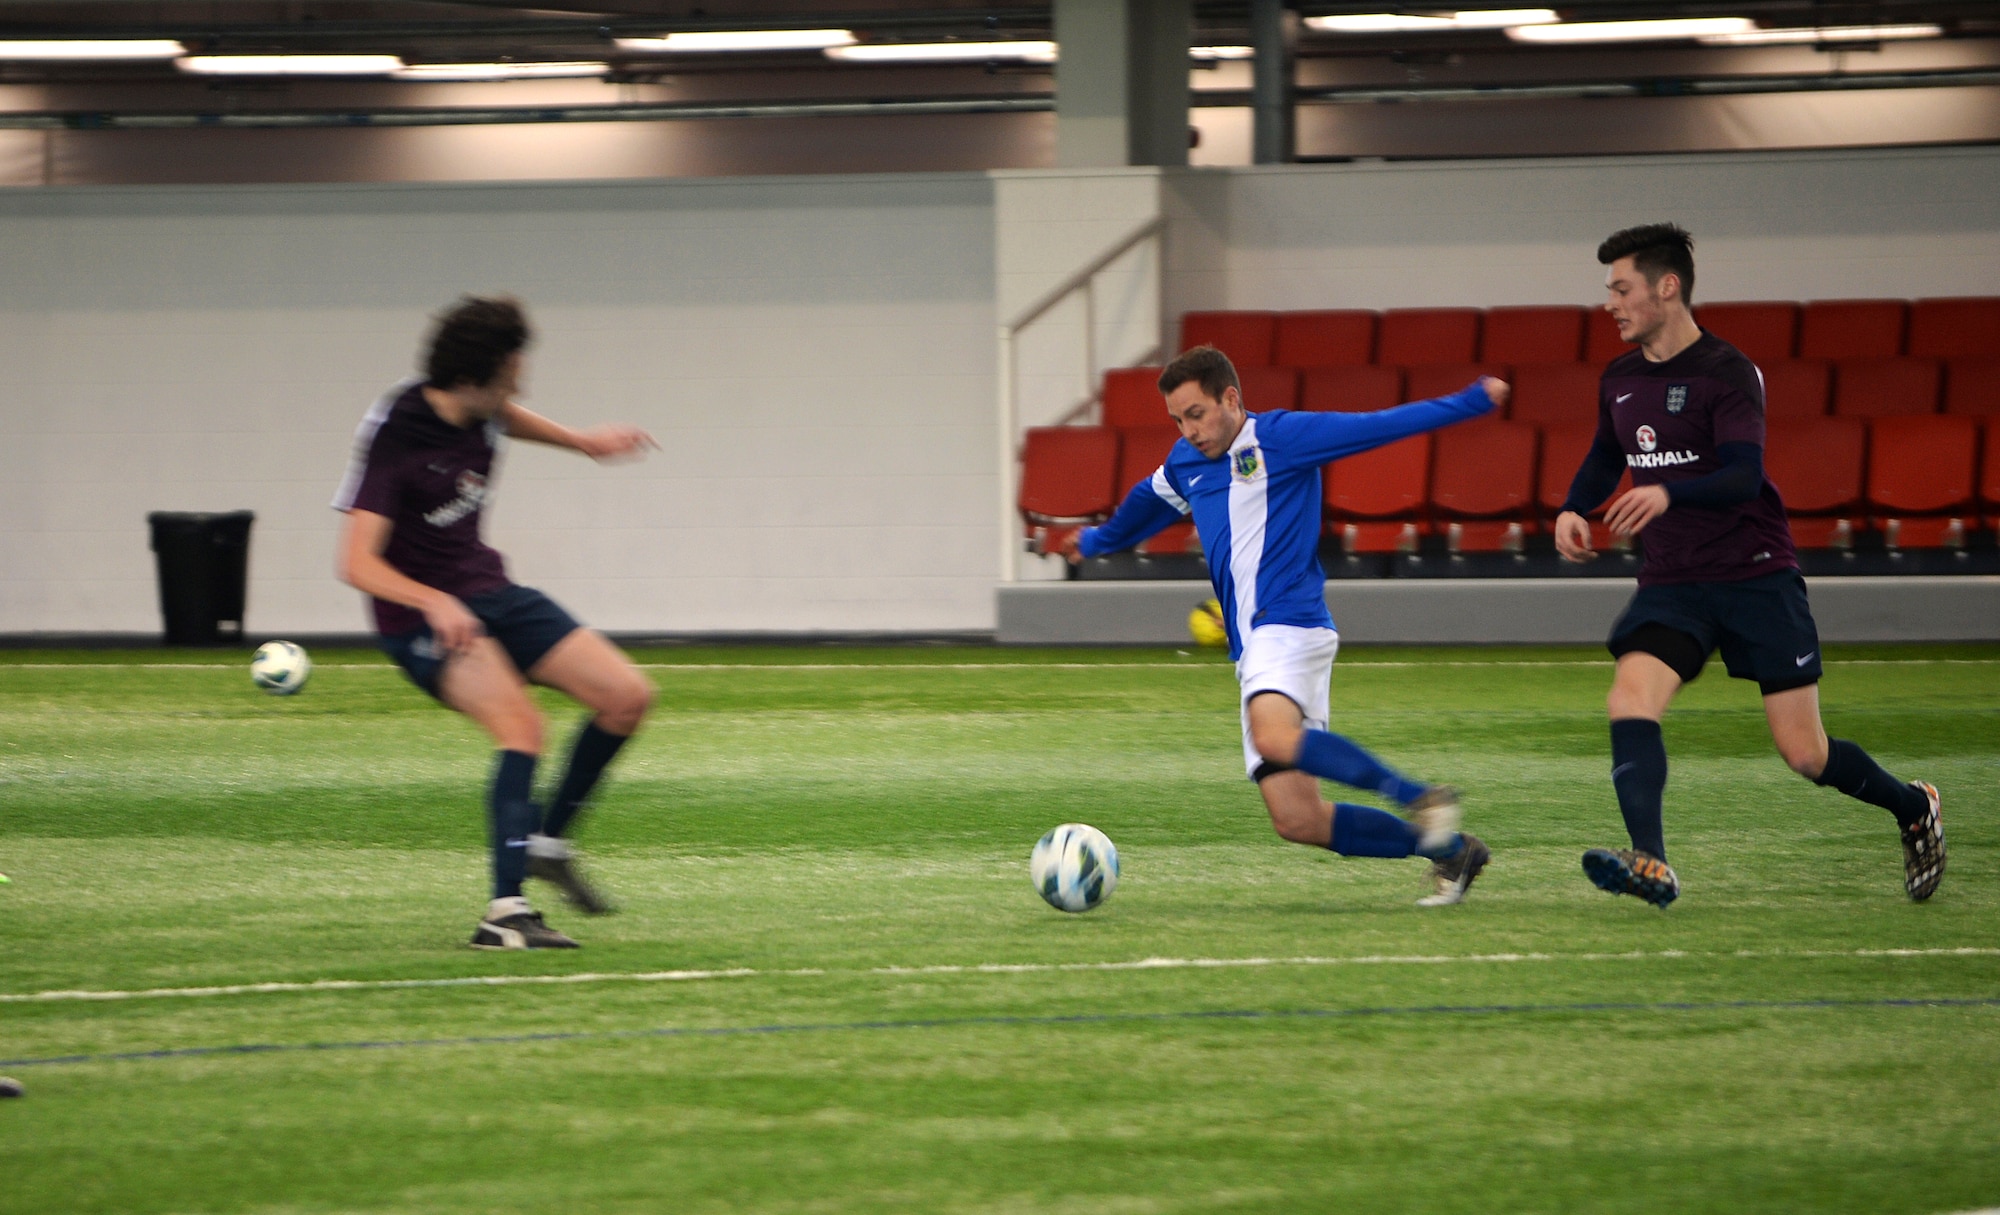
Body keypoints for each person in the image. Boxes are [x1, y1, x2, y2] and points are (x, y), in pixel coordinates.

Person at [1556, 223, 1943, 908]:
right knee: (1629, 698)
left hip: (1755, 573)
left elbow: (1743, 475)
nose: (1611, 303)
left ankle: (1912, 806)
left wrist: (1666, 490)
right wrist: (1573, 506)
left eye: (1622, 288)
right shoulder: (1619, 378)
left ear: (1666, 287)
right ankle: (1651, 861)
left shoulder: (1727, 373)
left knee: (1805, 753)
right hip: (1673, 583)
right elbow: (1604, 455)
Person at [1064, 345, 1505, 905]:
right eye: (1178, 419)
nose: (1189, 430)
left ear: (1230, 397)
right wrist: (1098, 540)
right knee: (1298, 819)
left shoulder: (1282, 438)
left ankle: (1419, 796)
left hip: (1288, 623)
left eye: (1196, 413)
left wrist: (1469, 402)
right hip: (1255, 646)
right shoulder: (1186, 461)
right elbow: (1148, 502)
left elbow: (1379, 427)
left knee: (1273, 735)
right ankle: (1452, 851)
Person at [333, 296, 659, 949]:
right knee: (521, 726)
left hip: (491, 590)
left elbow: (505, 417)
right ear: (480, 372)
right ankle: (504, 914)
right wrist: (433, 600)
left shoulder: (478, 407)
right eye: (515, 364)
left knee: (626, 696)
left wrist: (582, 442)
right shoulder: (399, 434)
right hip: (419, 616)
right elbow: (355, 563)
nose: (523, 377)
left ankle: (545, 843)